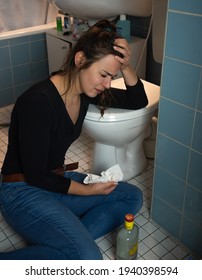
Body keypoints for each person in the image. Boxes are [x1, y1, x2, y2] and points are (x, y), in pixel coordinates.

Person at [0, 19, 148, 260]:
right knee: (88, 259)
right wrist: (88, 191)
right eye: (103, 74)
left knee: (131, 196)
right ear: (80, 61)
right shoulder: (38, 102)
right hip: (22, 190)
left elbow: (137, 101)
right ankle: (72, 247)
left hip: (55, 180)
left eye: (111, 76)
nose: (107, 84)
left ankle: (66, 244)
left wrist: (126, 65)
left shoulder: (85, 93)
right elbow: (36, 175)